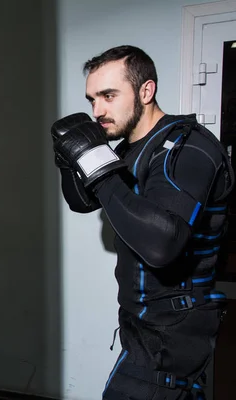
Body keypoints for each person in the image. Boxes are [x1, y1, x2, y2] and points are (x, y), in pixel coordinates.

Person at [51, 45, 234, 400]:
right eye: (92, 99)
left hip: (173, 330)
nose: (97, 111)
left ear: (145, 91)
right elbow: (84, 202)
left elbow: (162, 244)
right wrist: (68, 162)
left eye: (108, 95)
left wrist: (93, 162)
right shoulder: (128, 149)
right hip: (145, 322)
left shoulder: (188, 149)